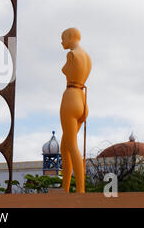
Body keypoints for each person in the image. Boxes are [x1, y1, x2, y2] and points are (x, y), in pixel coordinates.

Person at [60, 28, 91, 193]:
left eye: (63, 37)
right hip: (82, 99)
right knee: (64, 147)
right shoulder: (87, 57)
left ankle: (80, 189)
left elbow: (66, 71)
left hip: (71, 98)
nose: (61, 41)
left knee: (71, 145)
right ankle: (64, 188)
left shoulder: (71, 55)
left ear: (71, 37)